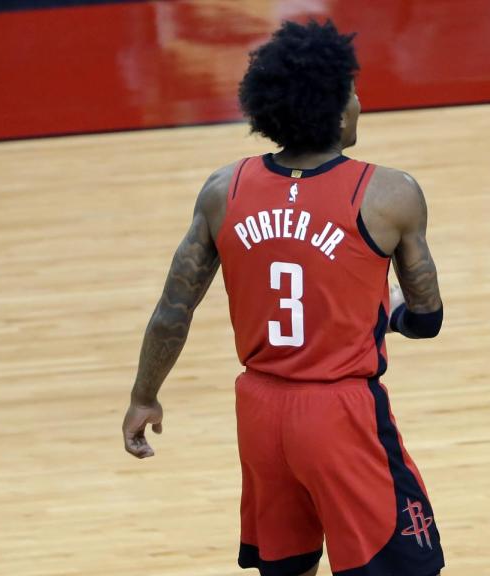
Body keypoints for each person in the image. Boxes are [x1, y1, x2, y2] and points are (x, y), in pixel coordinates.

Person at [122, 20, 445, 576]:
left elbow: (173, 309)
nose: (359, 101)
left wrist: (144, 395)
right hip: (339, 413)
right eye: (352, 89)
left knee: (288, 566)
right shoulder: (391, 194)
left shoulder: (225, 189)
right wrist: (387, 311)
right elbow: (427, 318)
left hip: (260, 411)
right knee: (404, 567)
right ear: (334, 107)